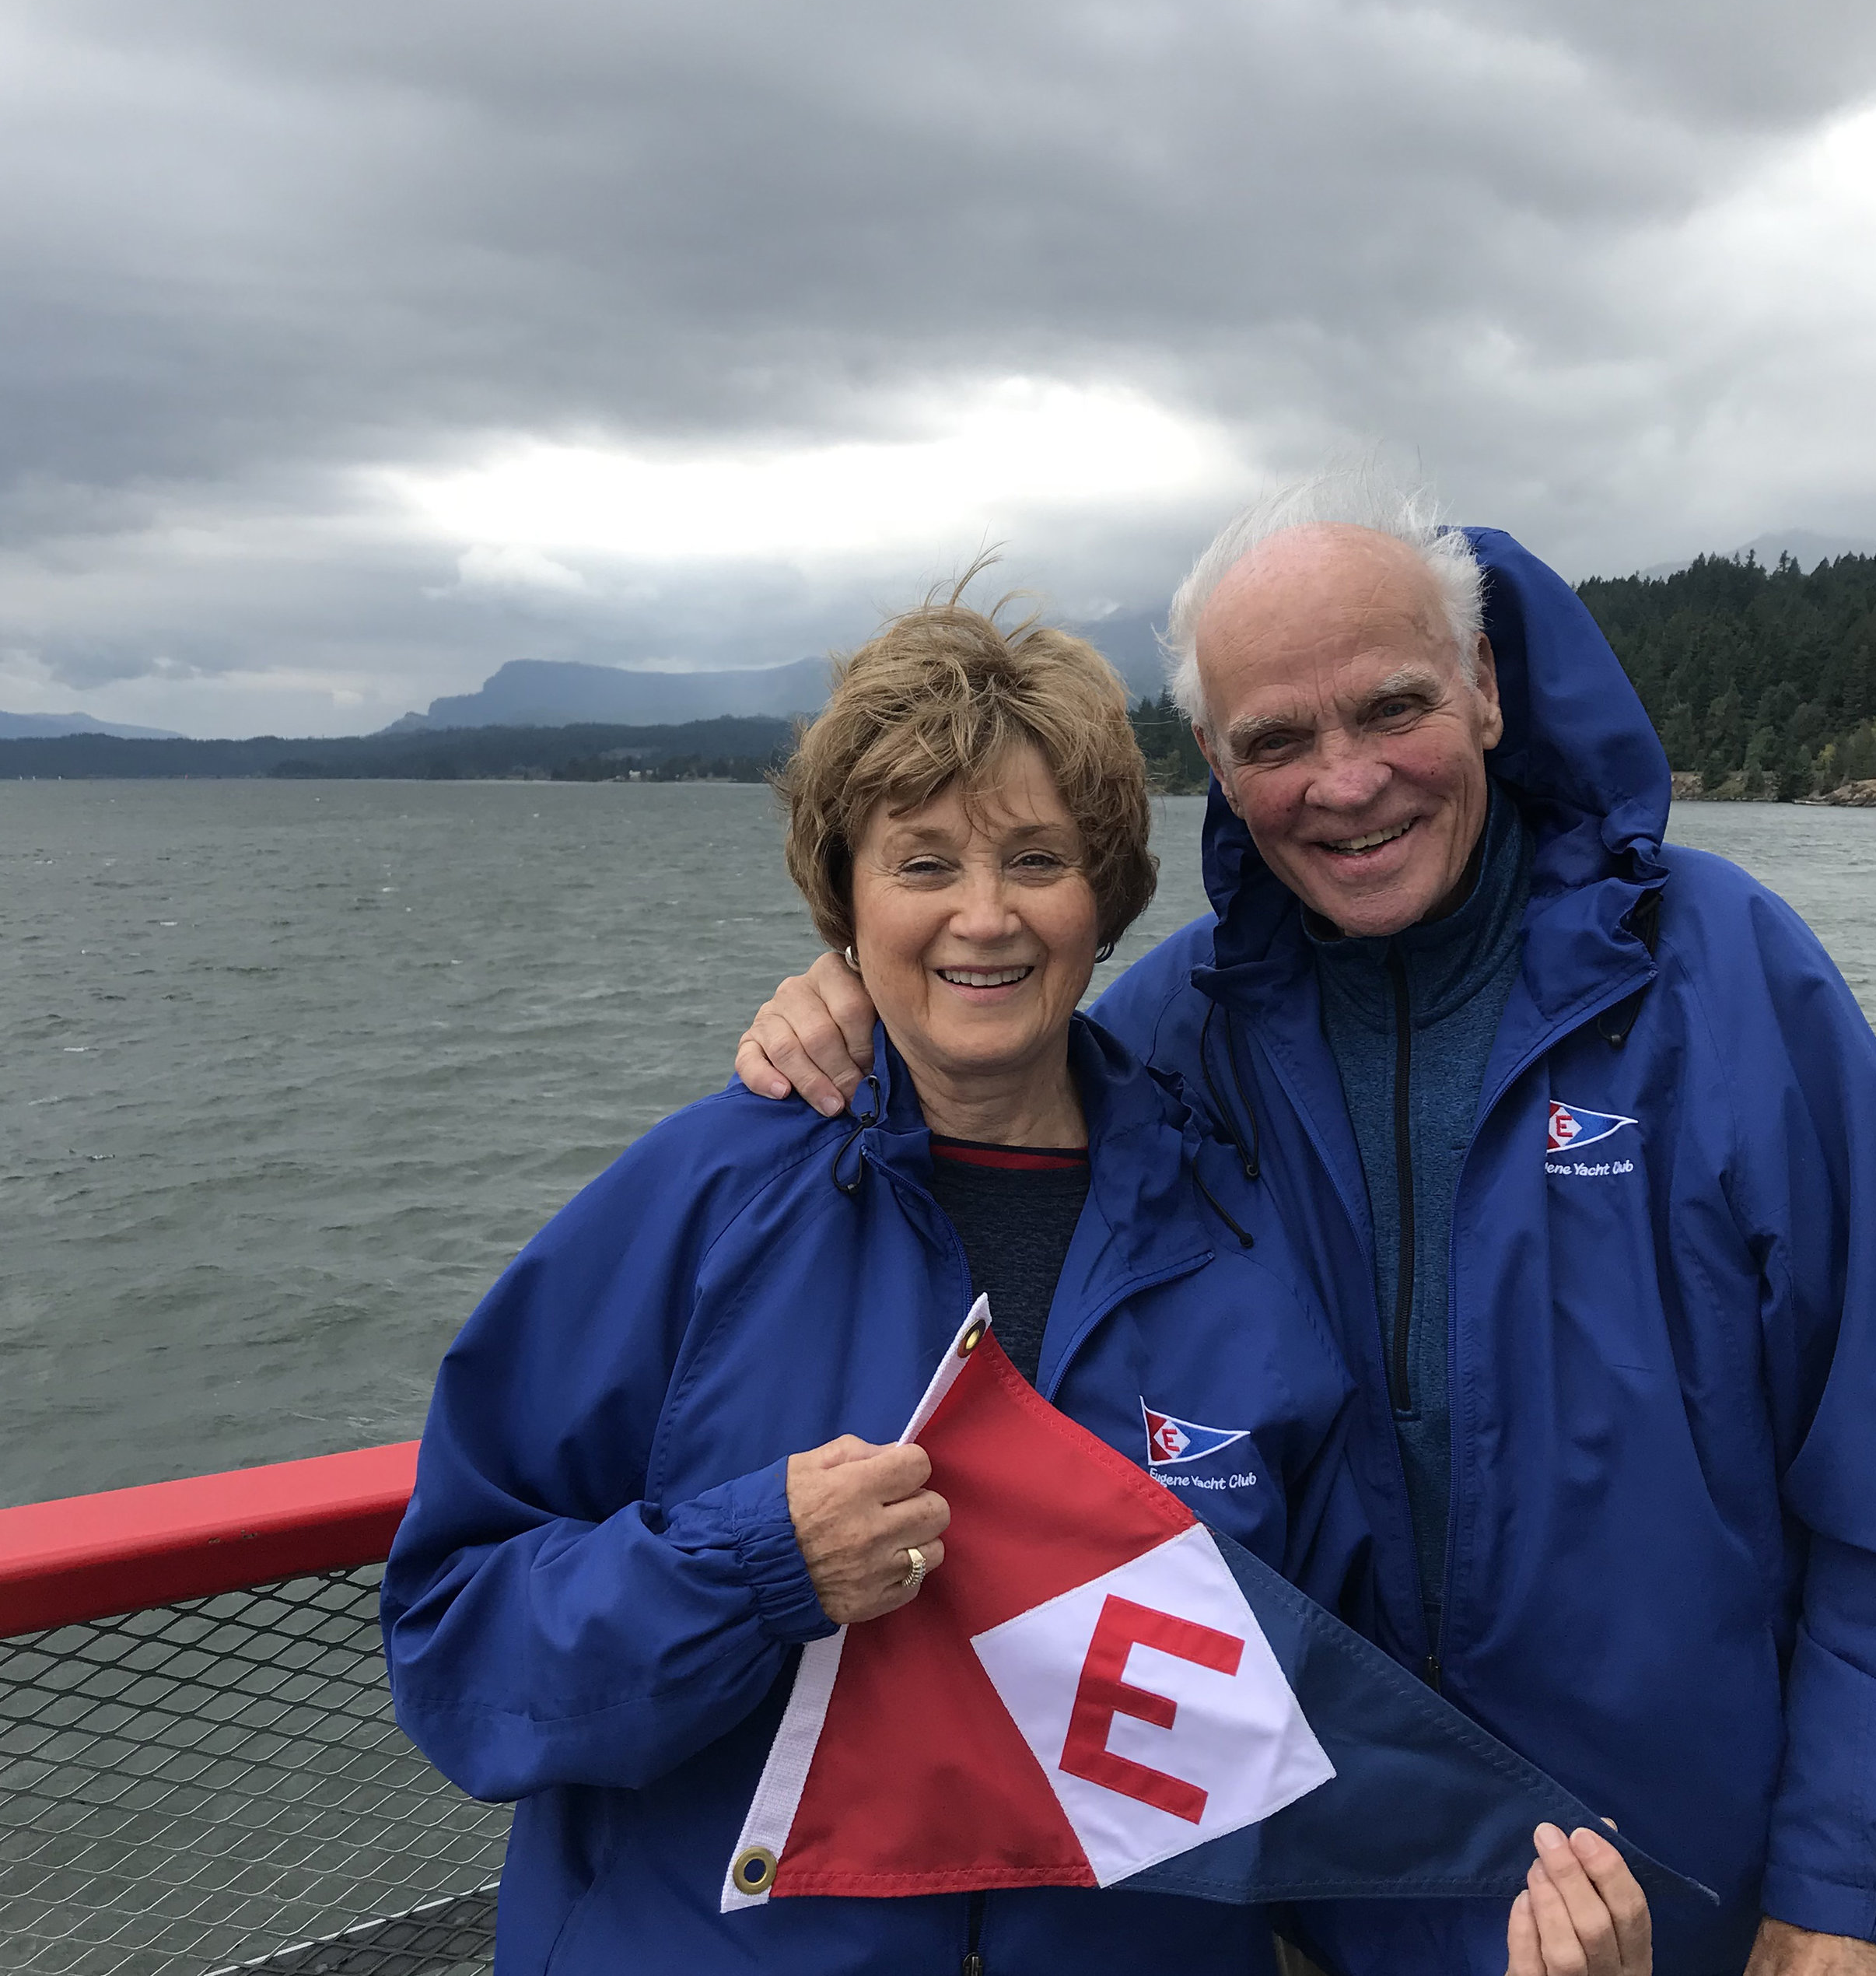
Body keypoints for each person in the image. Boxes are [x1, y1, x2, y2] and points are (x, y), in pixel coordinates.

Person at [734, 478, 1876, 1976]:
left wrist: (1848, 1889)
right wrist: (852, 1013)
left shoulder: (1726, 980)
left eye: (1392, 708)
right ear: (1220, 772)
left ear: (1488, 691)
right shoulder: (1165, 1042)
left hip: (1705, 1903)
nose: (1348, 781)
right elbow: (979, 1189)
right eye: (1277, 741)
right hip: (1318, 1904)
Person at [383, 594, 1647, 1975]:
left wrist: (1499, 1945)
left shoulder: (1236, 1246)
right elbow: (455, 1641)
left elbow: (1327, 1735)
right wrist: (755, 1572)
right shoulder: (700, 1208)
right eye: (922, 864)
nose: (982, 919)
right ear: (844, 901)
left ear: (1104, 898)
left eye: (1036, 859)